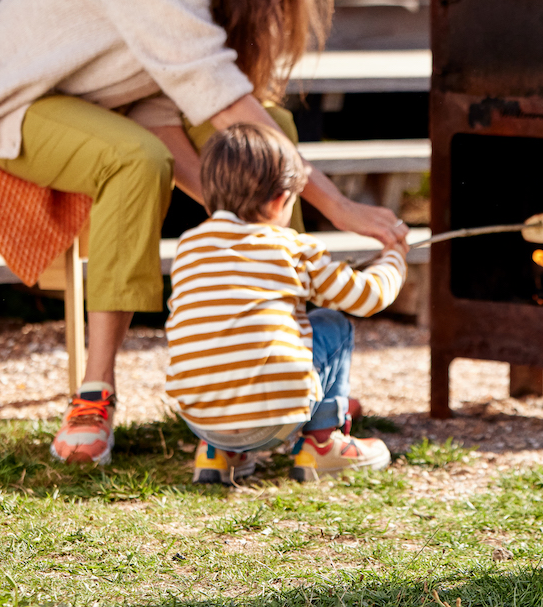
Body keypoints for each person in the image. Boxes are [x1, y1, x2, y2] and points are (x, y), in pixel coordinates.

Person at [0, 0, 409, 465]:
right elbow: (216, 103)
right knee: (136, 160)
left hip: (116, 92)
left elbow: (176, 106)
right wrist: (339, 207)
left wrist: (241, 213)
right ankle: (94, 396)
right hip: (18, 92)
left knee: (267, 127)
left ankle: (295, 388)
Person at [168, 123, 405, 484]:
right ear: (281, 200)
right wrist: (394, 258)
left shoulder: (189, 247)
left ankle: (221, 454)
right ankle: (323, 444)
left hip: (202, 421)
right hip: (274, 418)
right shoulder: (291, 247)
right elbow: (368, 296)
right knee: (331, 323)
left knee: (227, 338)